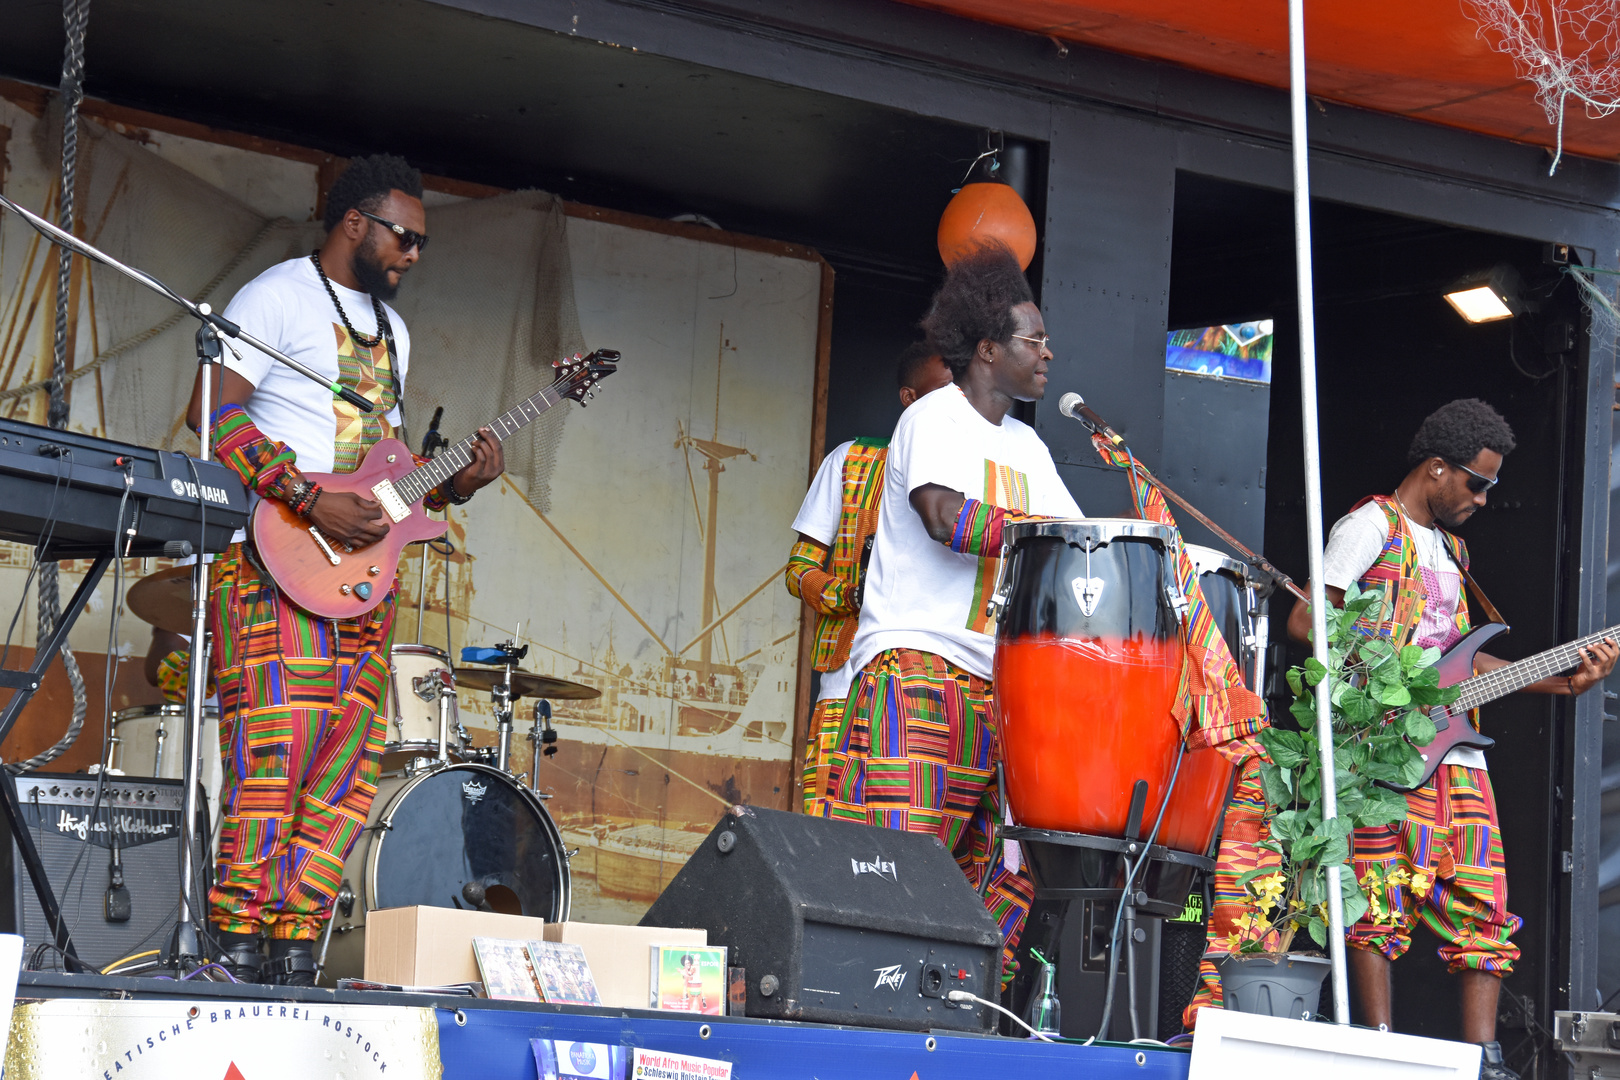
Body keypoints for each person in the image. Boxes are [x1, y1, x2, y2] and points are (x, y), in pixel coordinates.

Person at [183, 154, 505, 984]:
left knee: (340, 779)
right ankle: (236, 951)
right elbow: (210, 414)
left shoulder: (393, 333)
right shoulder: (277, 295)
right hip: (272, 568)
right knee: (269, 764)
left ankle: (295, 953)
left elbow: (379, 474)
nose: (414, 255)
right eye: (406, 236)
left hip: (361, 584)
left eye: (422, 243)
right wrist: (302, 496)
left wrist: (453, 484)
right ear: (355, 223)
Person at [1283, 398, 1616, 1078]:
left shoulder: (1454, 552)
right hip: (1380, 748)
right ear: (1437, 468)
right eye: (1478, 482)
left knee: (1483, 897)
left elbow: (1464, 663)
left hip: (1458, 754)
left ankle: (1482, 1060)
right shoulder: (1368, 526)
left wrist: (1563, 683)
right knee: (1374, 894)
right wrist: (1382, 696)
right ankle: (1375, 1047)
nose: (1485, 498)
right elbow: (1305, 622)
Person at [807, 242, 1081, 981]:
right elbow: (942, 515)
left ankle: (952, 1007)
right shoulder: (935, 416)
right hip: (916, 673)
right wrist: (1036, 538)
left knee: (1003, 873)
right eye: (1036, 341)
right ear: (989, 350)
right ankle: (863, 1010)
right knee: (894, 866)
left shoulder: (1028, 445)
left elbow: (1076, 546)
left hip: (999, 692)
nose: (1049, 354)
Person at [789, 342, 952, 813]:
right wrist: (853, 594)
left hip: (935, 686)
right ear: (908, 397)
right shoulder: (851, 460)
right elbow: (799, 570)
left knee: (909, 826)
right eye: (940, 392)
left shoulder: (975, 471)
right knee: (830, 815)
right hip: (850, 670)